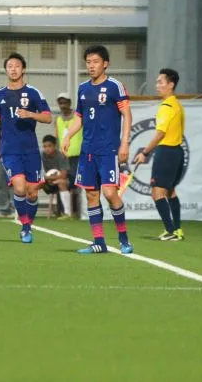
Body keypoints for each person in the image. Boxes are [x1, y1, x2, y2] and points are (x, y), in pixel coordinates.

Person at [62, 45, 134, 255]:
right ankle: (99, 242)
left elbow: (127, 114)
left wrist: (125, 143)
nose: (91, 66)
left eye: (95, 62)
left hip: (108, 150)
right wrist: (68, 135)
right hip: (88, 151)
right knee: (91, 195)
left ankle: (124, 239)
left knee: (110, 193)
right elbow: (79, 117)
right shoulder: (83, 88)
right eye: (88, 62)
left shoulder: (115, 86)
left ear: (105, 64)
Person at [0, 52, 52, 243]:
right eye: (10, 66)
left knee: (32, 192)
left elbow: (48, 117)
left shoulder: (34, 93)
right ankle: (25, 227)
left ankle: (27, 226)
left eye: (17, 66)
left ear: (23, 69)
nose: (13, 69)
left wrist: (31, 114)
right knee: (20, 188)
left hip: (31, 150)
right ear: (6, 70)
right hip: (10, 150)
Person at [134, 68, 185, 241]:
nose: (157, 85)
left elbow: (160, 134)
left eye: (160, 82)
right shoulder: (177, 105)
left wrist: (145, 153)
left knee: (157, 192)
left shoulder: (166, 106)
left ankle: (170, 231)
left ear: (171, 85)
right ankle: (177, 230)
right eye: (157, 82)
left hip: (167, 152)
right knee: (170, 191)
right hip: (177, 152)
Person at [40, 135, 73, 218]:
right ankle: (27, 211)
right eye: (45, 146)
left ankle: (67, 213)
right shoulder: (41, 155)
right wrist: (46, 178)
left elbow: (63, 175)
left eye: (49, 146)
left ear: (54, 146)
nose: (47, 148)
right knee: (32, 184)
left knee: (61, 182)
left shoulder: (61, 155)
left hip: (64, 181)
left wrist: (47, 178)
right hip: (48, 182)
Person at [55, 92, 82, 181]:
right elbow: (56, 137)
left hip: (78, 156)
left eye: (65, 103)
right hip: (63, 157)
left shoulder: (78, 117)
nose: (63, 106)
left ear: (69, 103)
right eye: (60, 103)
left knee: (76, 182)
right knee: (64, 182)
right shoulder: (58, 119)